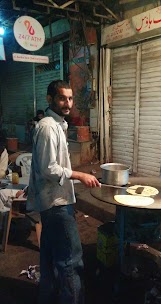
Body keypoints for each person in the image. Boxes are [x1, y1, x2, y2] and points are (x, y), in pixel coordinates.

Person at [26, 80, 101, 304]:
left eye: (70, 98)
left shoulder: (57, 124)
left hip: (51, 202)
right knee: (71, 261)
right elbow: (50, 168)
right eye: (62, 98)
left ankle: (46, 298)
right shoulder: (49, 127)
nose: (67, 103)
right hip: (57, 203)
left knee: (49, 257)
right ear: (50, 99)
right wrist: (80, 175)